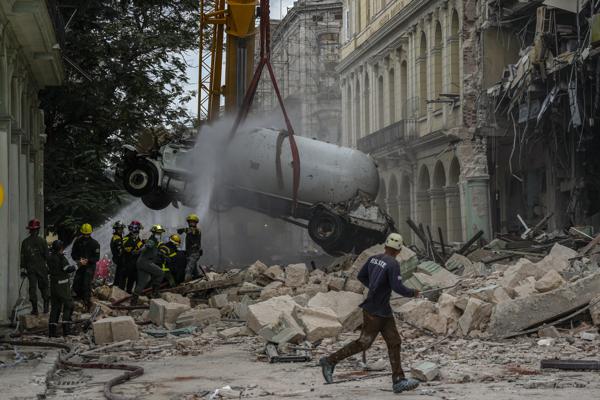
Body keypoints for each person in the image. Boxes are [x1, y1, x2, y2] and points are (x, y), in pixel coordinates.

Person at [319, 233, 421, 393]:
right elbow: (398, 287)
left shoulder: (373, 258)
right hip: (376, 311)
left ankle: (398, 381)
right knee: (364, 343)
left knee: (394, 341)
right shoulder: (393, 263)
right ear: (399, 250)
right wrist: (413, 293)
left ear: (385, 246)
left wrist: (374, 287)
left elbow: (361, 276)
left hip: (380, 309)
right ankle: (329, 361)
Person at [20, 218, 50, 315]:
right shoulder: (42, 241)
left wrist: (23, 269)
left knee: (32, 289)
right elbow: (47, 256)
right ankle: (45, 308)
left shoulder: (25, 242)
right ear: (38, 230)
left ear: (30, 230)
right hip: (41, 268)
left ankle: (35, 309)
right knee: (44, 287)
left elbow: (23, 257)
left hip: (31, 268)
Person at [47, 240, 76, 337]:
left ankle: (52, 333)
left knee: (55, 307)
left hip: (53, 286)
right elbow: (67, 269)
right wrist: (79, 264)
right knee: (69, 305)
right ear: (61, 248)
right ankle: (66, 331)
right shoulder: (61, 258)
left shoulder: (50, 257)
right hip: (62, 286)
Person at [131, 224, 165, 305]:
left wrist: (161, 254)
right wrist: (138, 251)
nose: (159, 234)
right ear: (153, 233)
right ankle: (154, 293)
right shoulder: (152, 240)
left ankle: (133, 302)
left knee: (141, 283)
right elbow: (146, 246)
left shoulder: (155, 241)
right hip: (145, 262)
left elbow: (152, 250)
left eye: (160, 233)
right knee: (160, 273)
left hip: (141, 263)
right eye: (158, 233)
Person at [71, 223, 100, 311]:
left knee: (86, 284)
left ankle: (87, 303)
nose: (86, 236)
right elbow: (73, 254)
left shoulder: (95, 243)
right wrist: (78, 260)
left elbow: (97, 258)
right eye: (84, 234)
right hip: (80, 265)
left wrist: (88, 260)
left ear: (90, 233)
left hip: (90, 267)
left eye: (87, 234)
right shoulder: (77, 242)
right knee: (77, 282)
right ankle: (78, 301)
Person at [177, 213, 203, 281]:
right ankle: (197, 276)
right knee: (193, 268)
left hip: (195, 253)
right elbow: (182, 231)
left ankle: (186, 284)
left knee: (188, 269)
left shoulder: (197, 230)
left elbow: (191, 231)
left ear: (196, 223)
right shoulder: (189, 231)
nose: (191, 223)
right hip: (189, 252)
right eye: (190, 222)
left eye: (193, 222)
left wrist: (183, 230)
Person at [121, 220, 144, 293]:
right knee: (124, 281)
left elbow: (140, 249)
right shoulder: (125, 239)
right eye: (137, 230)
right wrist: (140, 245)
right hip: (127, 263)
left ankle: (130, 293)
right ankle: (122, 294)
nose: (137, 232)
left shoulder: (138, 239)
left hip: (135, 264)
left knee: (133, 280)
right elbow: (131, 250)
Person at [110, 221, 126, 287]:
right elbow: (120, 249)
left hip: (118, 258)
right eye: (119, 229)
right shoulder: (117, 238)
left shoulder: (117, 237)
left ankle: (116, 285)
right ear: (116, 229)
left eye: (121, 229)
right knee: (121, 273)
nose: (121, 230)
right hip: (119, 258)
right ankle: (119, 287)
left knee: (119, 271)